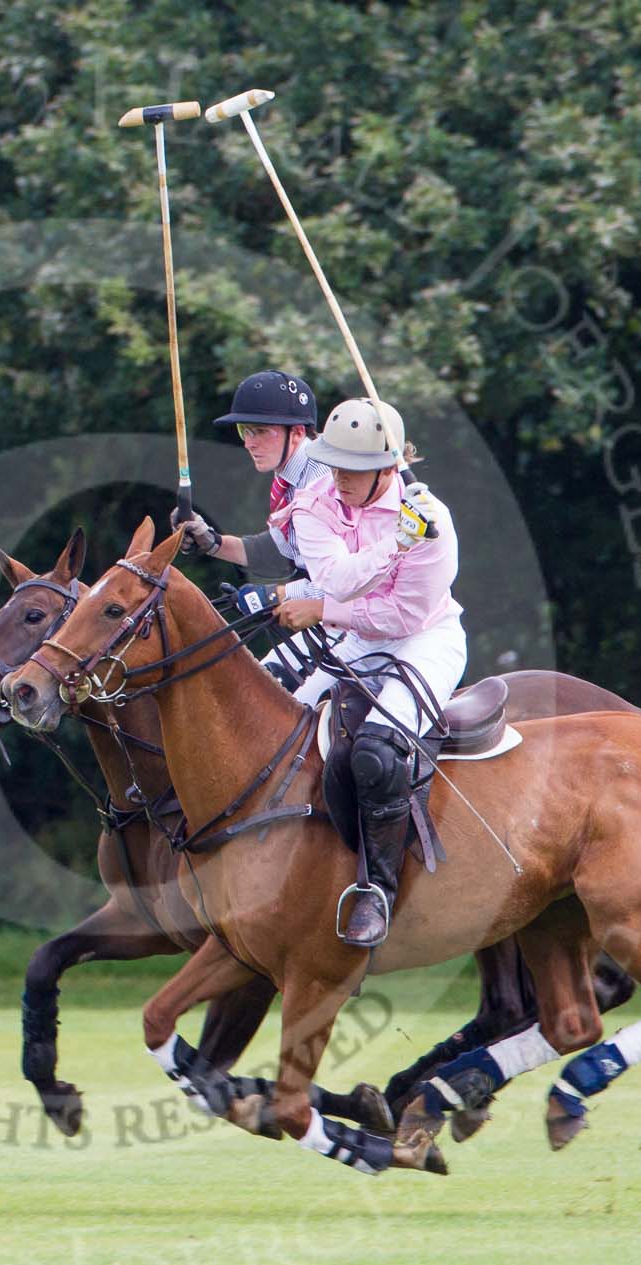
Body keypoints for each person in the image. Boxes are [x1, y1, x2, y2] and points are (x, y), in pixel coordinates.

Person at [270, 398, 465, 949]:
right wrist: (395, 542)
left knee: (377, 752)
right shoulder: (315, 503)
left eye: (354, 469)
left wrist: (411, 538)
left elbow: (403, 615)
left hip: (425, 641)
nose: (340, 478)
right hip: (355, 635)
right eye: (333, 464)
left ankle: (377, 889)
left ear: (388, 466)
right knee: (282, 725)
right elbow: (334, 581)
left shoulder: (433, 519)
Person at [171, 369, 326, 580]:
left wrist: (277, 596)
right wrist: (210, 541)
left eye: (261, 431)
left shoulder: (322, 479)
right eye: (244, 430)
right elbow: (282, 554)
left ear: (297, 432)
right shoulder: (290, 471)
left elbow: (344, 584)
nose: (248, 443)